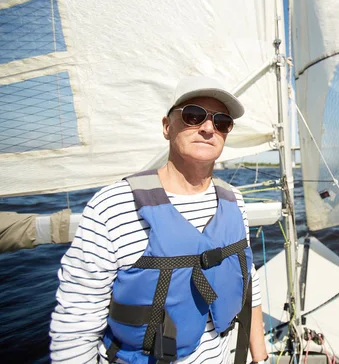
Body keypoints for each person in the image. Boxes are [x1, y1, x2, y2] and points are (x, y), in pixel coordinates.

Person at [50, 76, 269, 364]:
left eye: (221, 122)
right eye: (193, 116)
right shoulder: (113, 206)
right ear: (167, 127)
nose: (207, 128)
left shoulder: (234, 200)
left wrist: (261, 357)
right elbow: (74, 329)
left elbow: (248, 284)